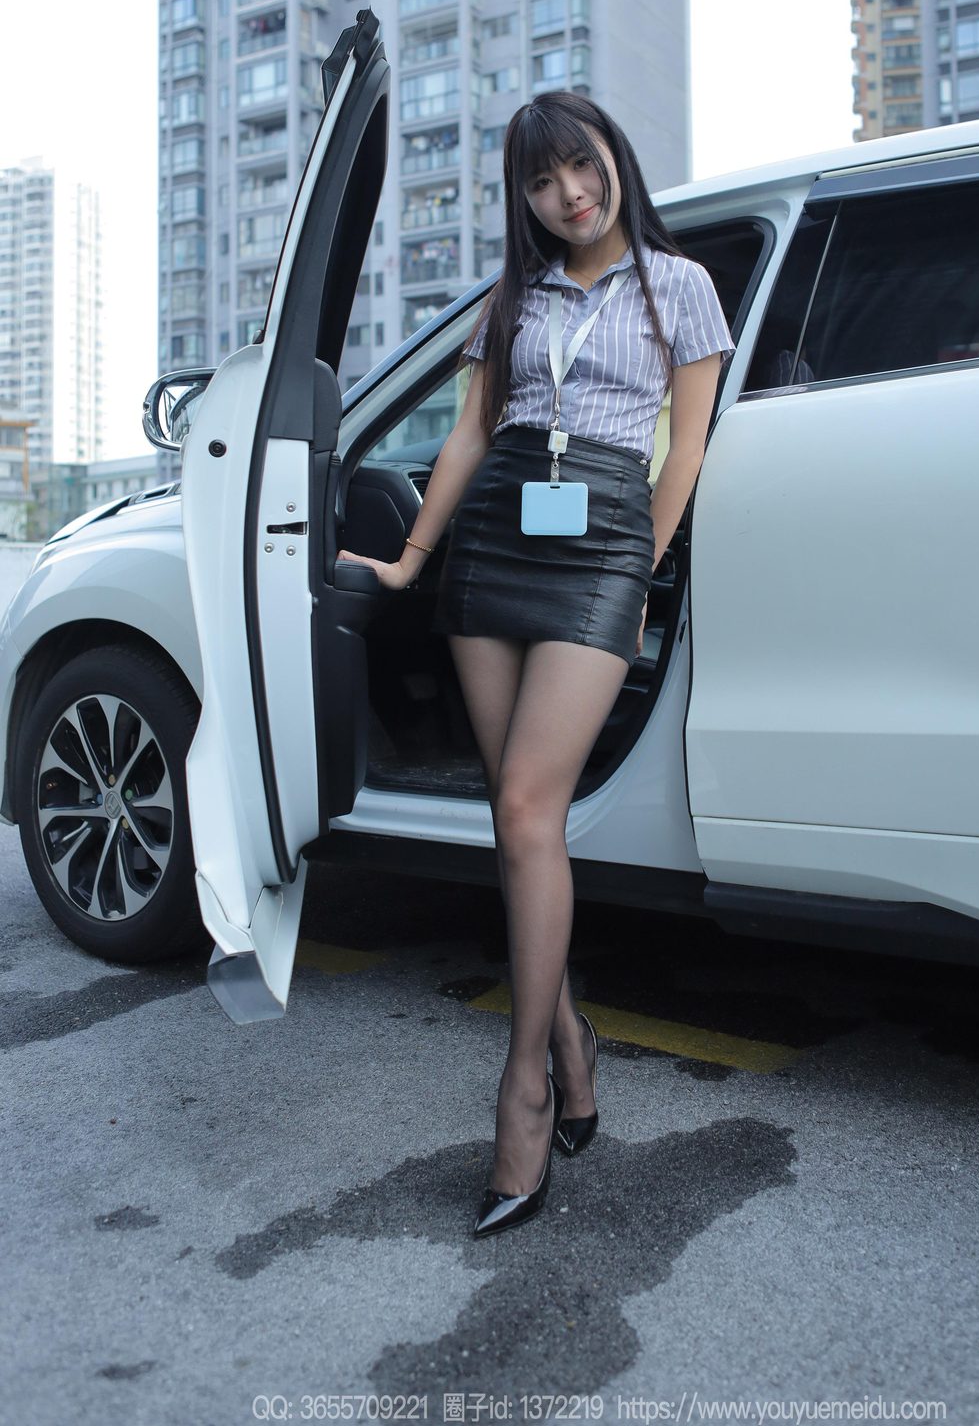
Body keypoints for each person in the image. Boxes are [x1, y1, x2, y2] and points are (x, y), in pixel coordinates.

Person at [337, 91, 735, 1238]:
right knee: (519, 824)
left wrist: (640, 563)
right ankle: (570, 1039)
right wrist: (413, 558)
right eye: (543, 181)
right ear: (524, 198)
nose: (571, 193)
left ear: (615, 158)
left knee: (524, 804)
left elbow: (687, 446)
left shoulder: (679, 285)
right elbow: (470, 432)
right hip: (494, 542)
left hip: (601, 541)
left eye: (583, 165)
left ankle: (522, 1088)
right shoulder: (512, 296)